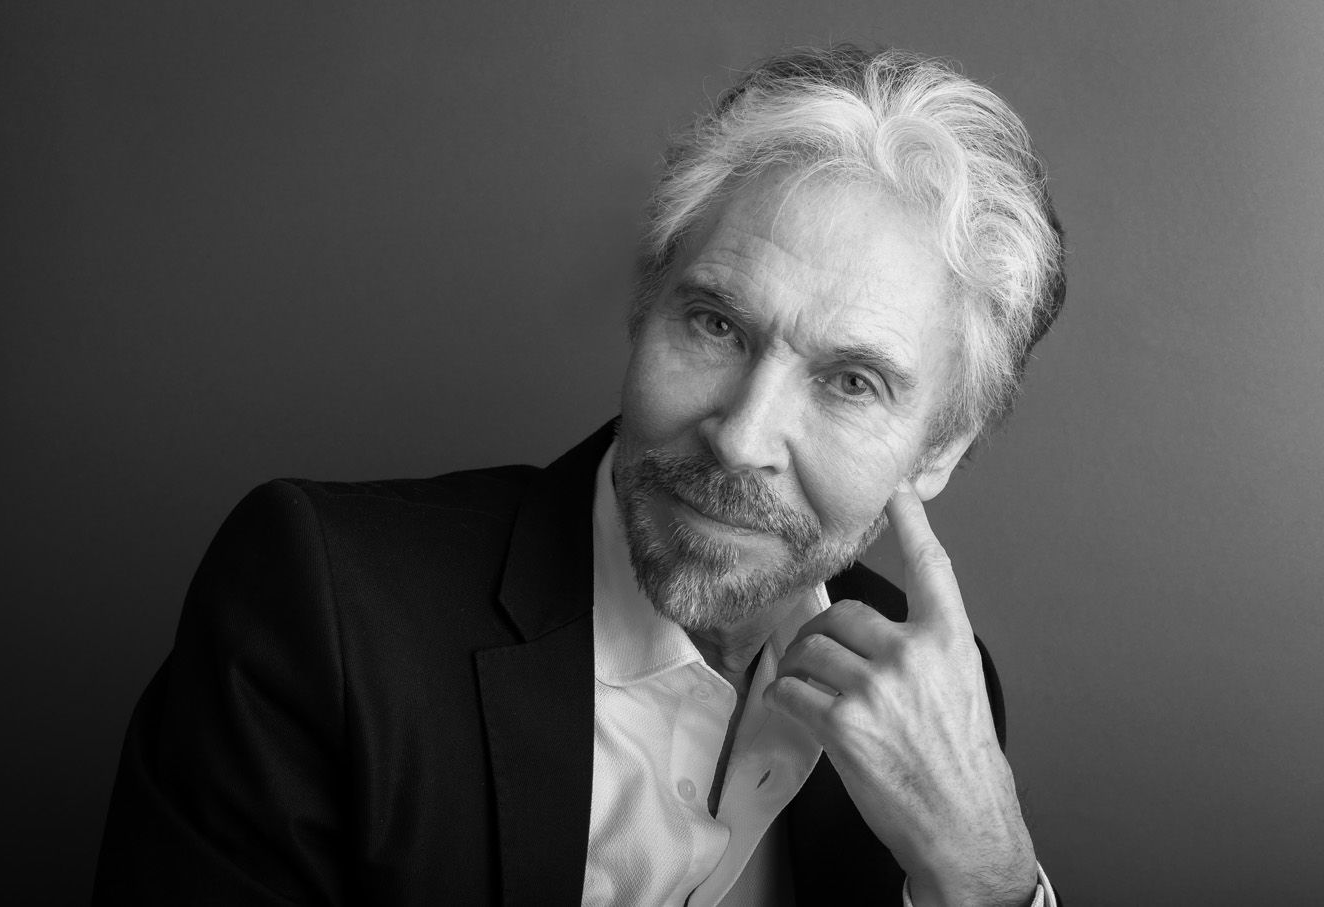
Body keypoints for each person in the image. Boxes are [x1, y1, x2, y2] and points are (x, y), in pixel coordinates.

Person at [94, 44, 1066, 905]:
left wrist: (985, 873)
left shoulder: (942, 697)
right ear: (645, 309)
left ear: (937, 448)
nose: (740, 437)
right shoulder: (322, 604)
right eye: (716, 324)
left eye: (850, 382)